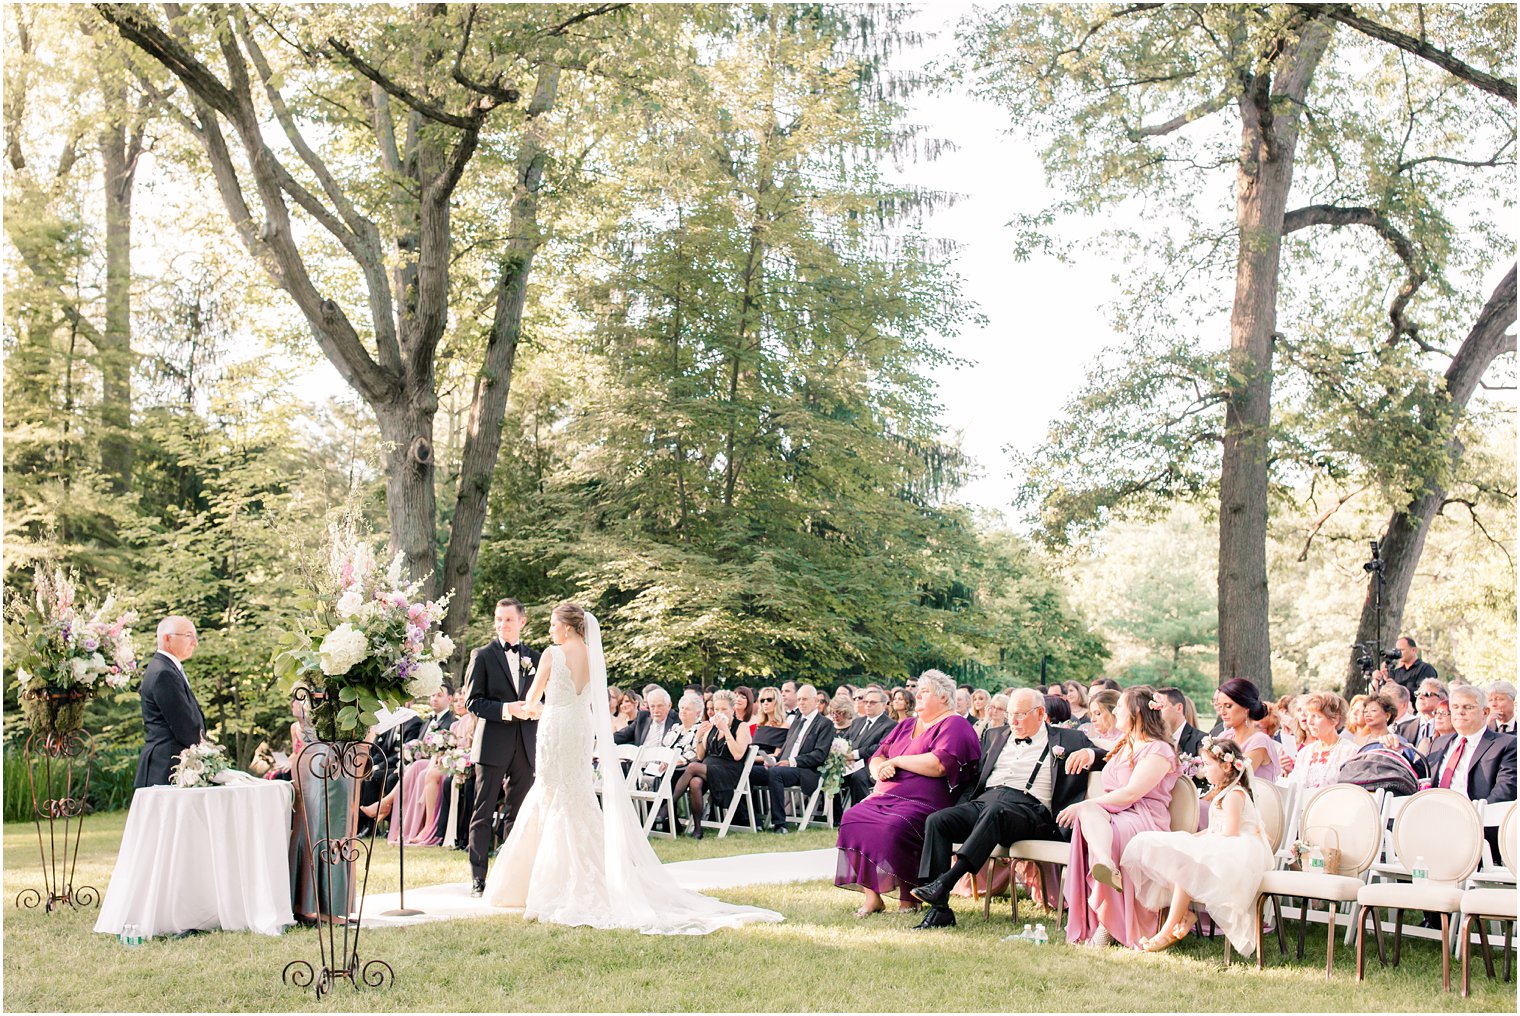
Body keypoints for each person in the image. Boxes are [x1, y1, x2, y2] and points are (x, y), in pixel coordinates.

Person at [482, 603, 782, 933]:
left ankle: (542, 885)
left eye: (554, 624)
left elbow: (532, 699)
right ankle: (589, 873)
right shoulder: (592, 654)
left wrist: (521, 710)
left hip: (557, 727)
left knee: (553, 793)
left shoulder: (553, 654)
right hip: (581, 728)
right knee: (574, 793)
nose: (550, 629)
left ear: (567, 627)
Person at [910, 687, 1101, 929]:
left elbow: (1108, 756)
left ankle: (946, 881)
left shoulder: (1069, 739)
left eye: (1021, 714)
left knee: (996, 811)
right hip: (986, 802)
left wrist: (1089, 753)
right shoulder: (994, 735)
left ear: (1041, 712)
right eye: (1011, 714)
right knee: (938, 820)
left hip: (1033, 811)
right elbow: (975, 776)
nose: (1014, 720)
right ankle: (940, 911)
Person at [835, 670, 982, 917]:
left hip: (924, 803)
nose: (918, 696)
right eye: (919, 691)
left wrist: (900, 760)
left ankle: (909, 897)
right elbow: (879, 755)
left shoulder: (954, 724)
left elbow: (939, 764)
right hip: (884, 796)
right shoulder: (905, 725)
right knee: (852, 818)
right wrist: (879, 769)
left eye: (925, 692)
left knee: (895, 826)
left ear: (944, 697)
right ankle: (872, 897)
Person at [1124, 737, 1273, 954]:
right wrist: (1190, 838)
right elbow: (1215, 829)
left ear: (1225, 766)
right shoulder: (1223, 794)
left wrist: (1198, 842)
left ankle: (1167, 930)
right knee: (1175, 854)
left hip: (1238, 851)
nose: (1204, 769)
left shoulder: (1235, 795)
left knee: (1186, 864)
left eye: (1208, 765)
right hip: (1226, 844)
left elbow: (1230, 832)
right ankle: (1184, 916)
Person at [1061, 685, 1179, 948]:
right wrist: (1088, 753)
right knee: (1090, 812)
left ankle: (1107, 925)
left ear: (1135, 713)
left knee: (1089, 812)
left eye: (1119, 708)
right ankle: (1104, 865)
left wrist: (1081, 806)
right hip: (1117, 814)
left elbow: (1131, 794)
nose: (1114, 712)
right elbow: (1102, 747)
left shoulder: (1158, 750)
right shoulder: (1125, 745)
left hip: (1144, 817)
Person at [464, 598, 541, 897]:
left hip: (525, 744)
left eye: (508, 619)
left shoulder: (535, 656)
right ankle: (478, 878)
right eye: (498, 619)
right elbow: (474, 702)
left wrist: (536, 709)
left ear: (522, 621)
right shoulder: (482, 656)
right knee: (482, 811)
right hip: (493, 743)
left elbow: (540, 698)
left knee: (518, 812)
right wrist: (508, 709)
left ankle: (511, 876)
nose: (502, 625)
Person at [134, 616, 207, 788]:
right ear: (167, 638)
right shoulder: (163, 672)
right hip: (166, 766)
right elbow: (183, 724)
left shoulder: (167, 668)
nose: (194, 643)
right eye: (189, 636)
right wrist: (204, 749)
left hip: (171, 762)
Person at [761, 684, 836, 833]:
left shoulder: (825, 724)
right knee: (750, 772)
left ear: (815, 701)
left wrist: (791, 762)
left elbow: (819, 755)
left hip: (806, 770)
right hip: (786, 766)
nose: (800, 702)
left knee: (776, 774)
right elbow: (786, 749)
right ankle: (749, 820)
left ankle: (780, 824)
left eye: (805, 699)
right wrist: (774, 760)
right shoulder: (796, 722)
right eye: (799, 699)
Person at [1426, 685, 1517, 805]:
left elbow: (1505, 791)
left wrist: (1475, 815)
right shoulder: (1439, 743)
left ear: (1485, 712)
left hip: (1477, 817)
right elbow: (1418, 777)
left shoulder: (1506, 744)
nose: (1460, 712)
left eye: (1467, 707)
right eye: (1455, 707)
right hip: (1435, 813)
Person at [694, 690, 757, 827]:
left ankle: (665, 808)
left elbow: (738, 754)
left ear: (733, 709)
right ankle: (698, 828)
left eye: (723, 709)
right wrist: (698, 736)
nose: (719, 712)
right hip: (709, 769)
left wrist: (726, 730)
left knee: (692, 767)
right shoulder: (713, 727)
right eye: (716, 709)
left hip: (729, 772)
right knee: (695, 782)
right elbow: (700, 755)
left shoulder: (742, 727)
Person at [1284, 692, 1358, 791]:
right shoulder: (1304, 753)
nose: (1309, 722)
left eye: (1316, 716)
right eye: (1308, 716)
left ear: (1335, 719)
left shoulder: (1351, 752)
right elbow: (1292, 787)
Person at [1212, 679, 1283, 782]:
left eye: (1228, 706)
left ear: (1246, 708)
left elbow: (1236, 779)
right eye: (1220, 706)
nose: (1222, 712)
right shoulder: (1224, 736)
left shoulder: (1260, 741)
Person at [666, 692, 708, 837]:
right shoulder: (675, 728)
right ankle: (670, 820)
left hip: (687, 767)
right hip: (669, 766)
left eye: (687, 709)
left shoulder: (700, 728)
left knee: (690, 781)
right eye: (682, 708)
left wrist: (680, 761)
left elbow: (697, 754)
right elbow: (665, 747)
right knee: (652, 776)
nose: (683, 711)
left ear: (697, 713)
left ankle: (666, 808)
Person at [843, 688, 895, 805]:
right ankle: (836, 815)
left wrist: (854, 755)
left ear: (883, 704)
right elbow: (845, 741)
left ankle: (858, 814)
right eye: (866, 702)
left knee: (858, 777)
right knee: (832, 774)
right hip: (850, 762)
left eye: (872, 702)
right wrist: (844, 756)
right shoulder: (857, 722)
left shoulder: (890, 725)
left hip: (871, 763)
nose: (868, 705)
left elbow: (880, 748)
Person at [613, 686, 677, 748]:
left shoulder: (677, 720)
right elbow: (623, 735)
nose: (655, 710)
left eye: (659, 706)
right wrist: (605, 740)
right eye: (652, 706)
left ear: (669, 705)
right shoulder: (642, 717)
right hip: (641, 756)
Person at [1154, 687, 1204, 757]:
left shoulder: (1201, 741)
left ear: (1179, 708)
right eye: (1154, 707)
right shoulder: (1154, 741)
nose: (1156, 712)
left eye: (1161, 706)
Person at [751, 686, 790, 758]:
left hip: (766, 765)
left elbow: (776, 755)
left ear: (777, 702)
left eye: (769, 700)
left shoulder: (784, 725)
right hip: (750, 761)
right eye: (762, 700)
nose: (765, 703)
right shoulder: (760, 724)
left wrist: (753, 759)